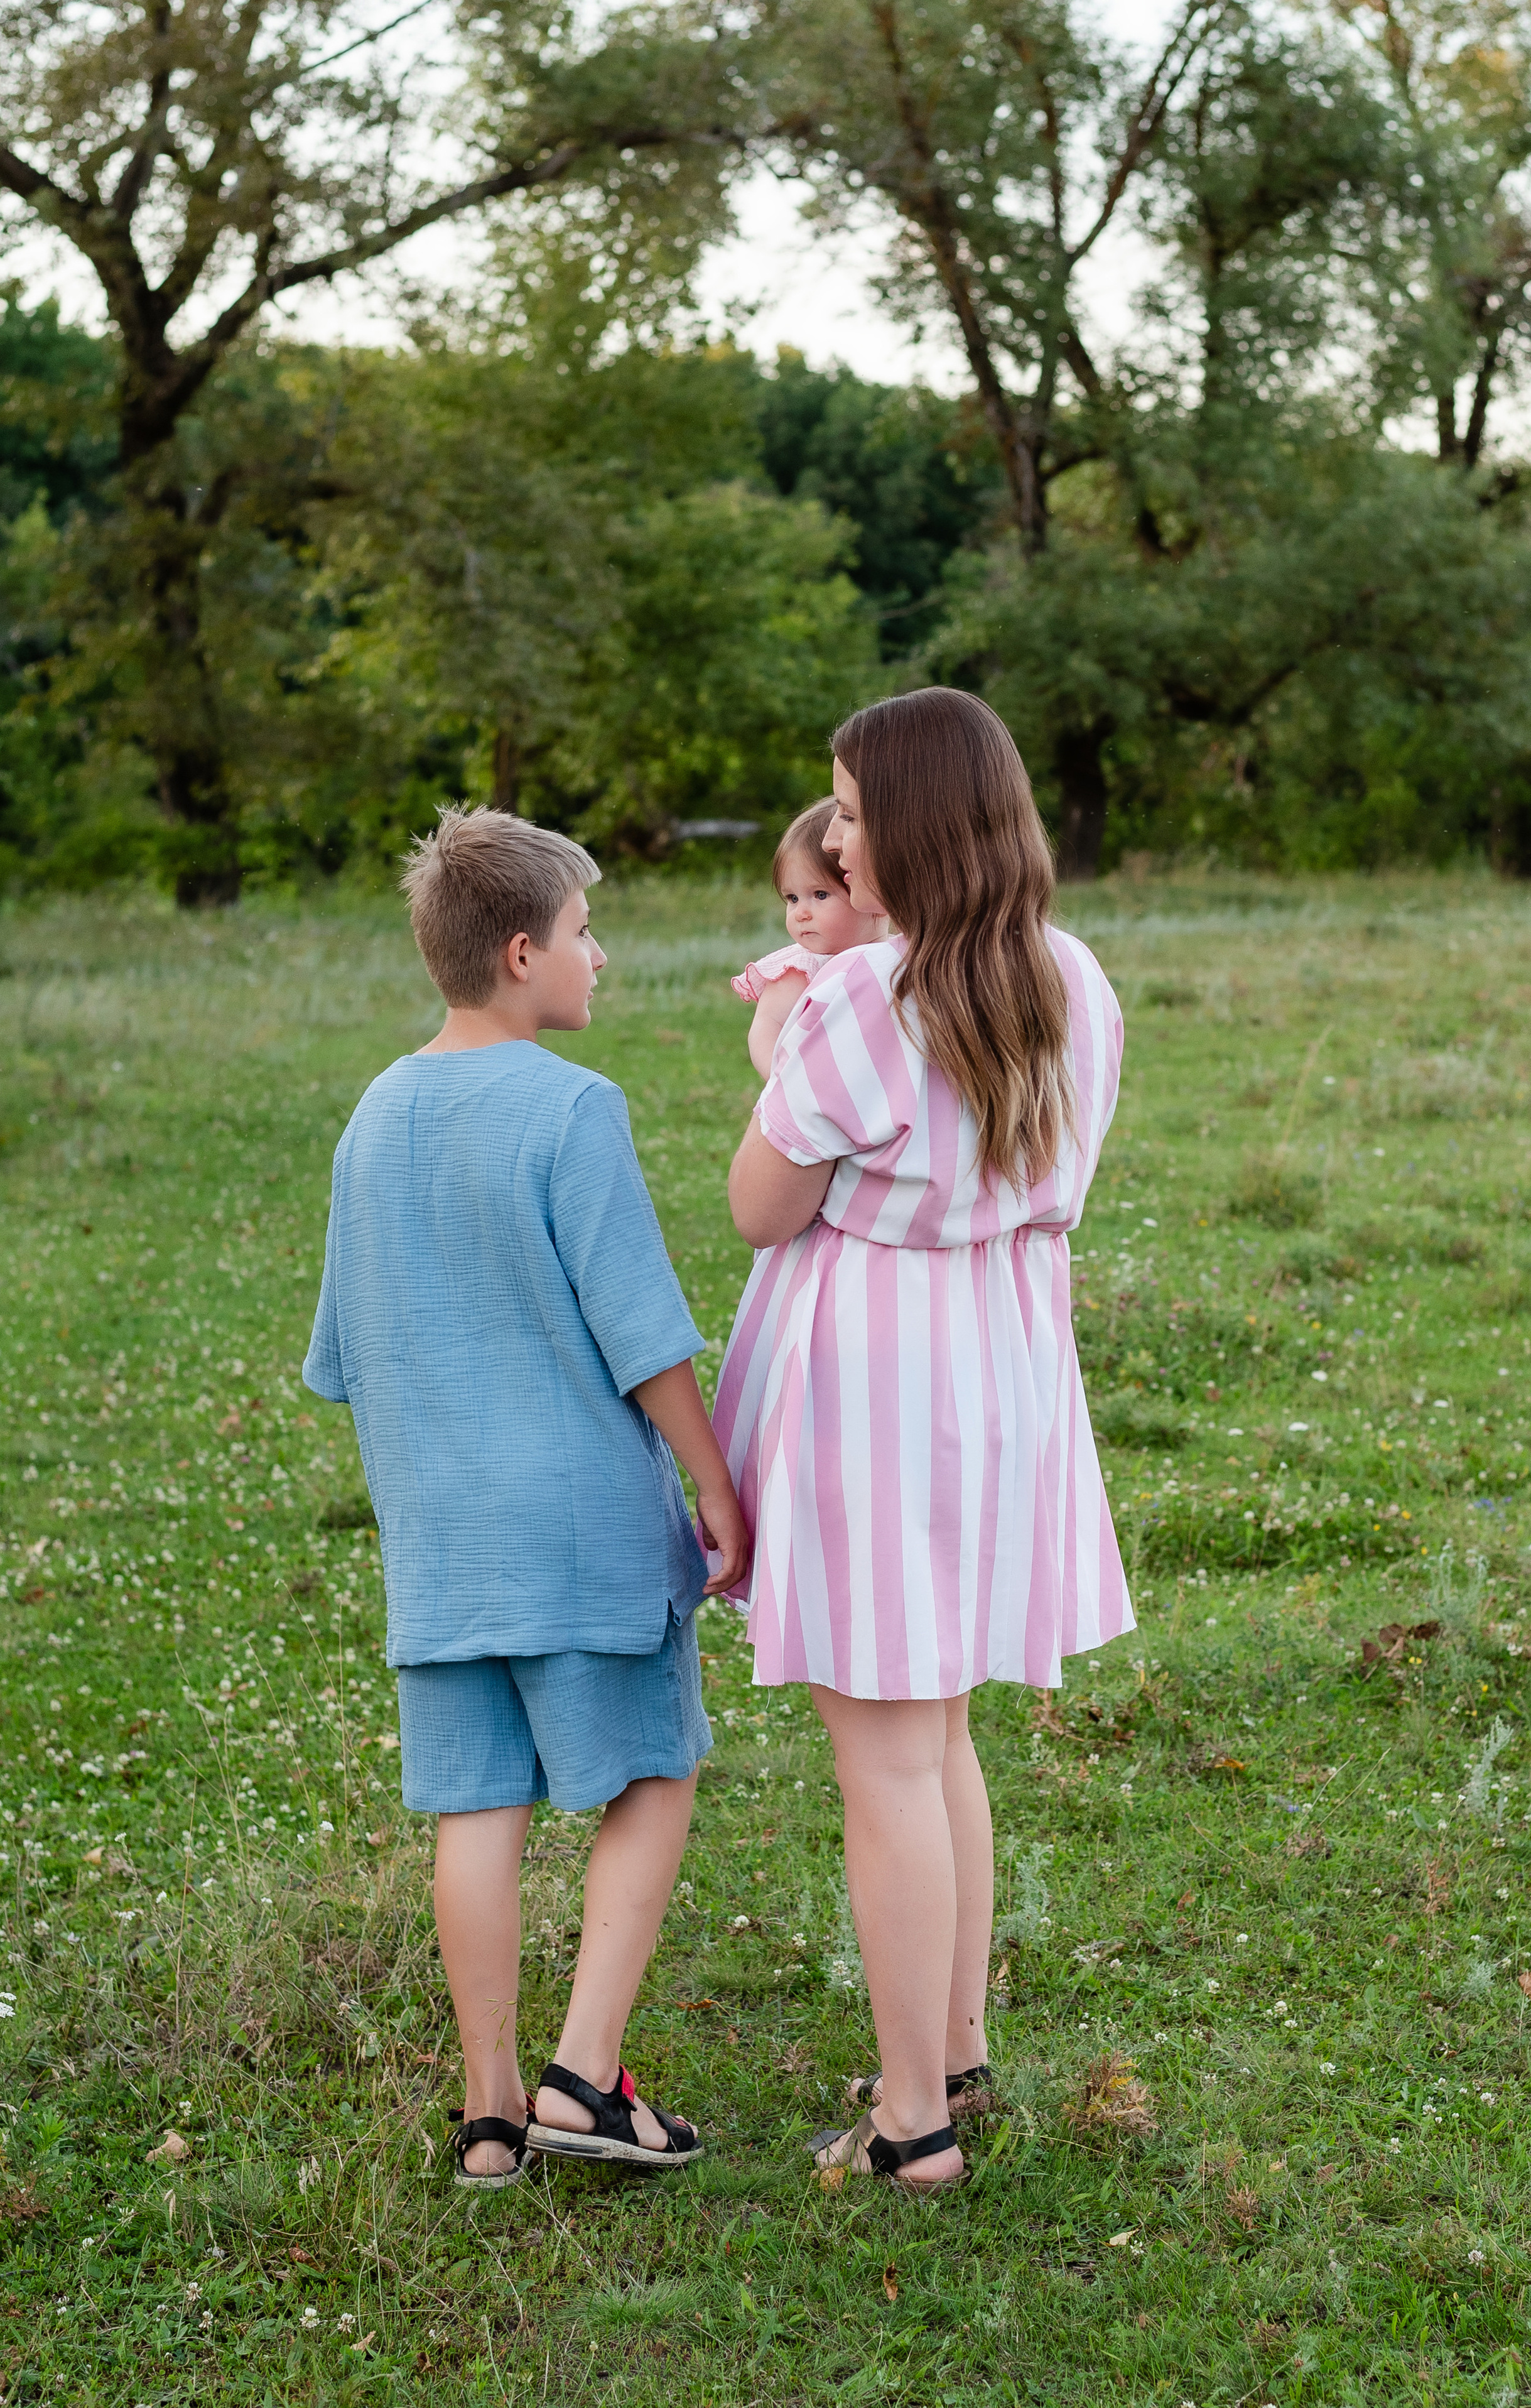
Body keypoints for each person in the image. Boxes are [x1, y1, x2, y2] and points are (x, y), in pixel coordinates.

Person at [711, 690, 1132, 2193]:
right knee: (936, 1732)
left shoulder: (854, 1002)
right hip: (1004, 1372)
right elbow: (1049, 1183)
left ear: (920, 824)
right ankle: (947, 2042)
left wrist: (792, 1091)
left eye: (851, 804)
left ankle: (911, 2123)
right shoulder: (1072, 982)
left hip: (877, 1392)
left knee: (885, 1757)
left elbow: (759, 1205)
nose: (831, 830)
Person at [303, 805, 749, 2188]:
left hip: (436, 1541)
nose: (598, 957)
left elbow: (343, 1348)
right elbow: (641, 1329)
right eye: (583, 932)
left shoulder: (373, 1112)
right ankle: (580, 2075)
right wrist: (713, 1481)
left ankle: (489, 2111)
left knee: (475, 1808)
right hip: (578, 1528)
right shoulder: (572, 1106)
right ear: (517, 953)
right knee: (657, 1771)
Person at [732, 799, 889, 1078]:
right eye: (792, 898)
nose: (801, 913)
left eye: (820, 895)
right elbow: (767, 1028)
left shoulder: (899, 957)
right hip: (811, 1098)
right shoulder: (802, 969)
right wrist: (785, 1084)